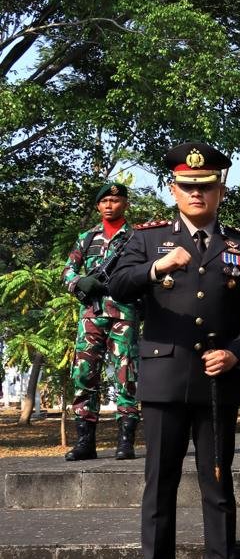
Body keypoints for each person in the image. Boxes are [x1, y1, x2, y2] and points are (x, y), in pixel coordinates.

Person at [108, 142, 240, 559]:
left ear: (220, 190)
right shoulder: (147, 239)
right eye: (189, 187)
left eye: (207, 186)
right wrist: (158, 267)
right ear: (173, 189)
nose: (198, 194)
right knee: (160, 483)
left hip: (217, 380)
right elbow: (116, 285)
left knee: (217, 482)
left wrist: (238, 353)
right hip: (163, 374)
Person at [61, 182, 141, 461]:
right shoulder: (87, 237)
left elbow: (143, 273)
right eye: (105, 201)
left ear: (125, 205)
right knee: (84, 374)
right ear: (98, 206)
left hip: (124, 312)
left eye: (116, 201)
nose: (110, 205)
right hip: (92, 314)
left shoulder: (136, 237)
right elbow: (67, 270)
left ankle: (125, 441)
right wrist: (79, 281)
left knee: (126, 375)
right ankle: (85, 443)